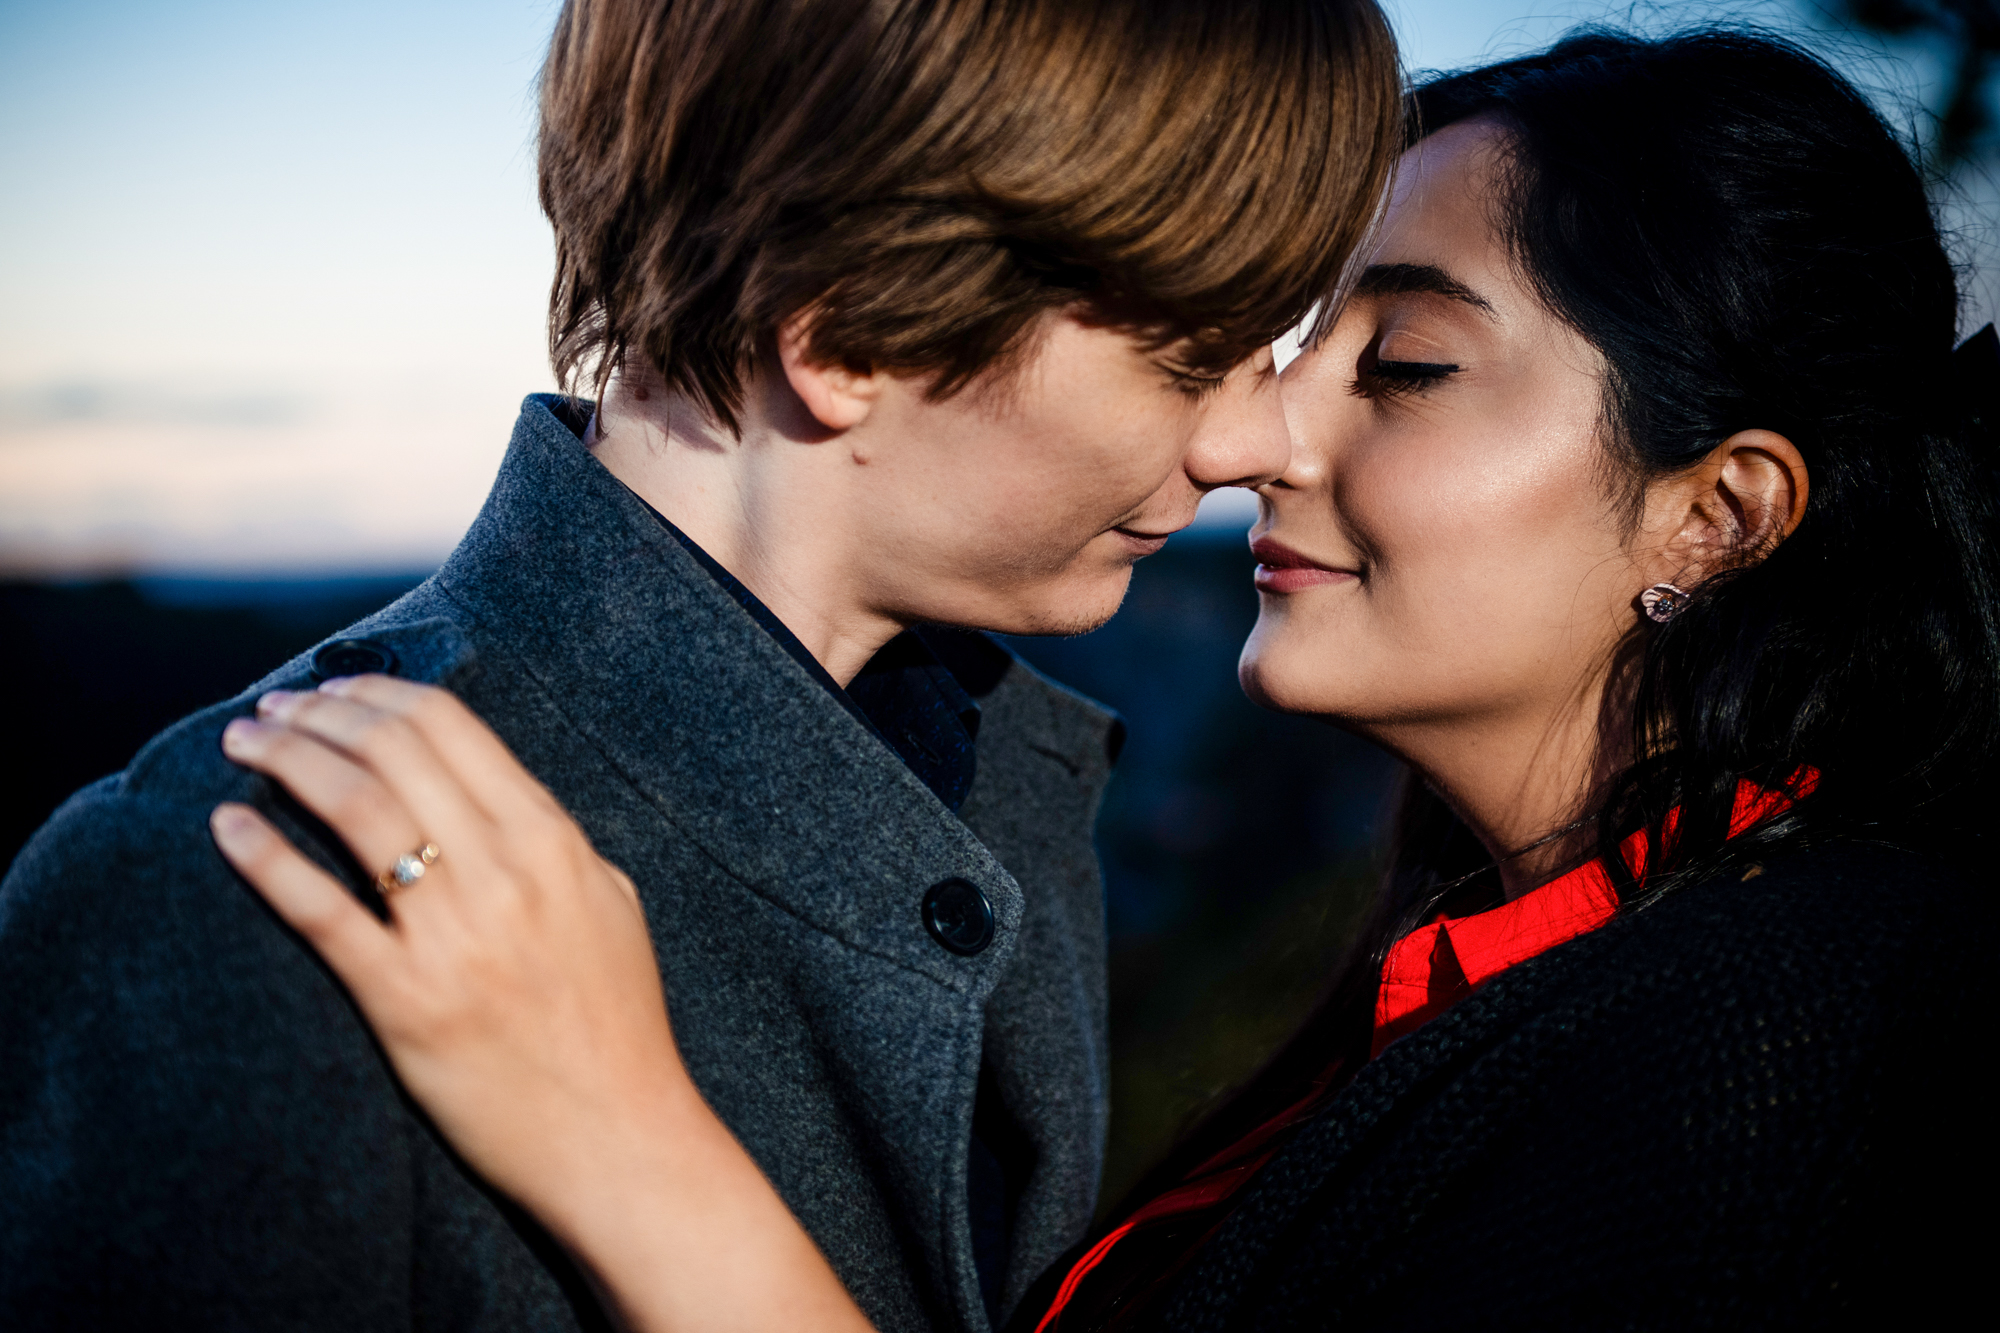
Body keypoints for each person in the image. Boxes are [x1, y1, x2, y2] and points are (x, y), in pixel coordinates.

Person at [199, 26, 1998, 1332]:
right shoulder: (1511, 962)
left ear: (1718, 513)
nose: (1268, 433)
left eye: (1413, 363)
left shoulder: (1794, 1057)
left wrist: (627, 1137)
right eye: (1299, 342)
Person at [0, 1, 1401, 1329]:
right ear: (850, 327)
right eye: (1188, 354)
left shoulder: (1001, 786)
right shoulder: (239, 879)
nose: (1253, 445)